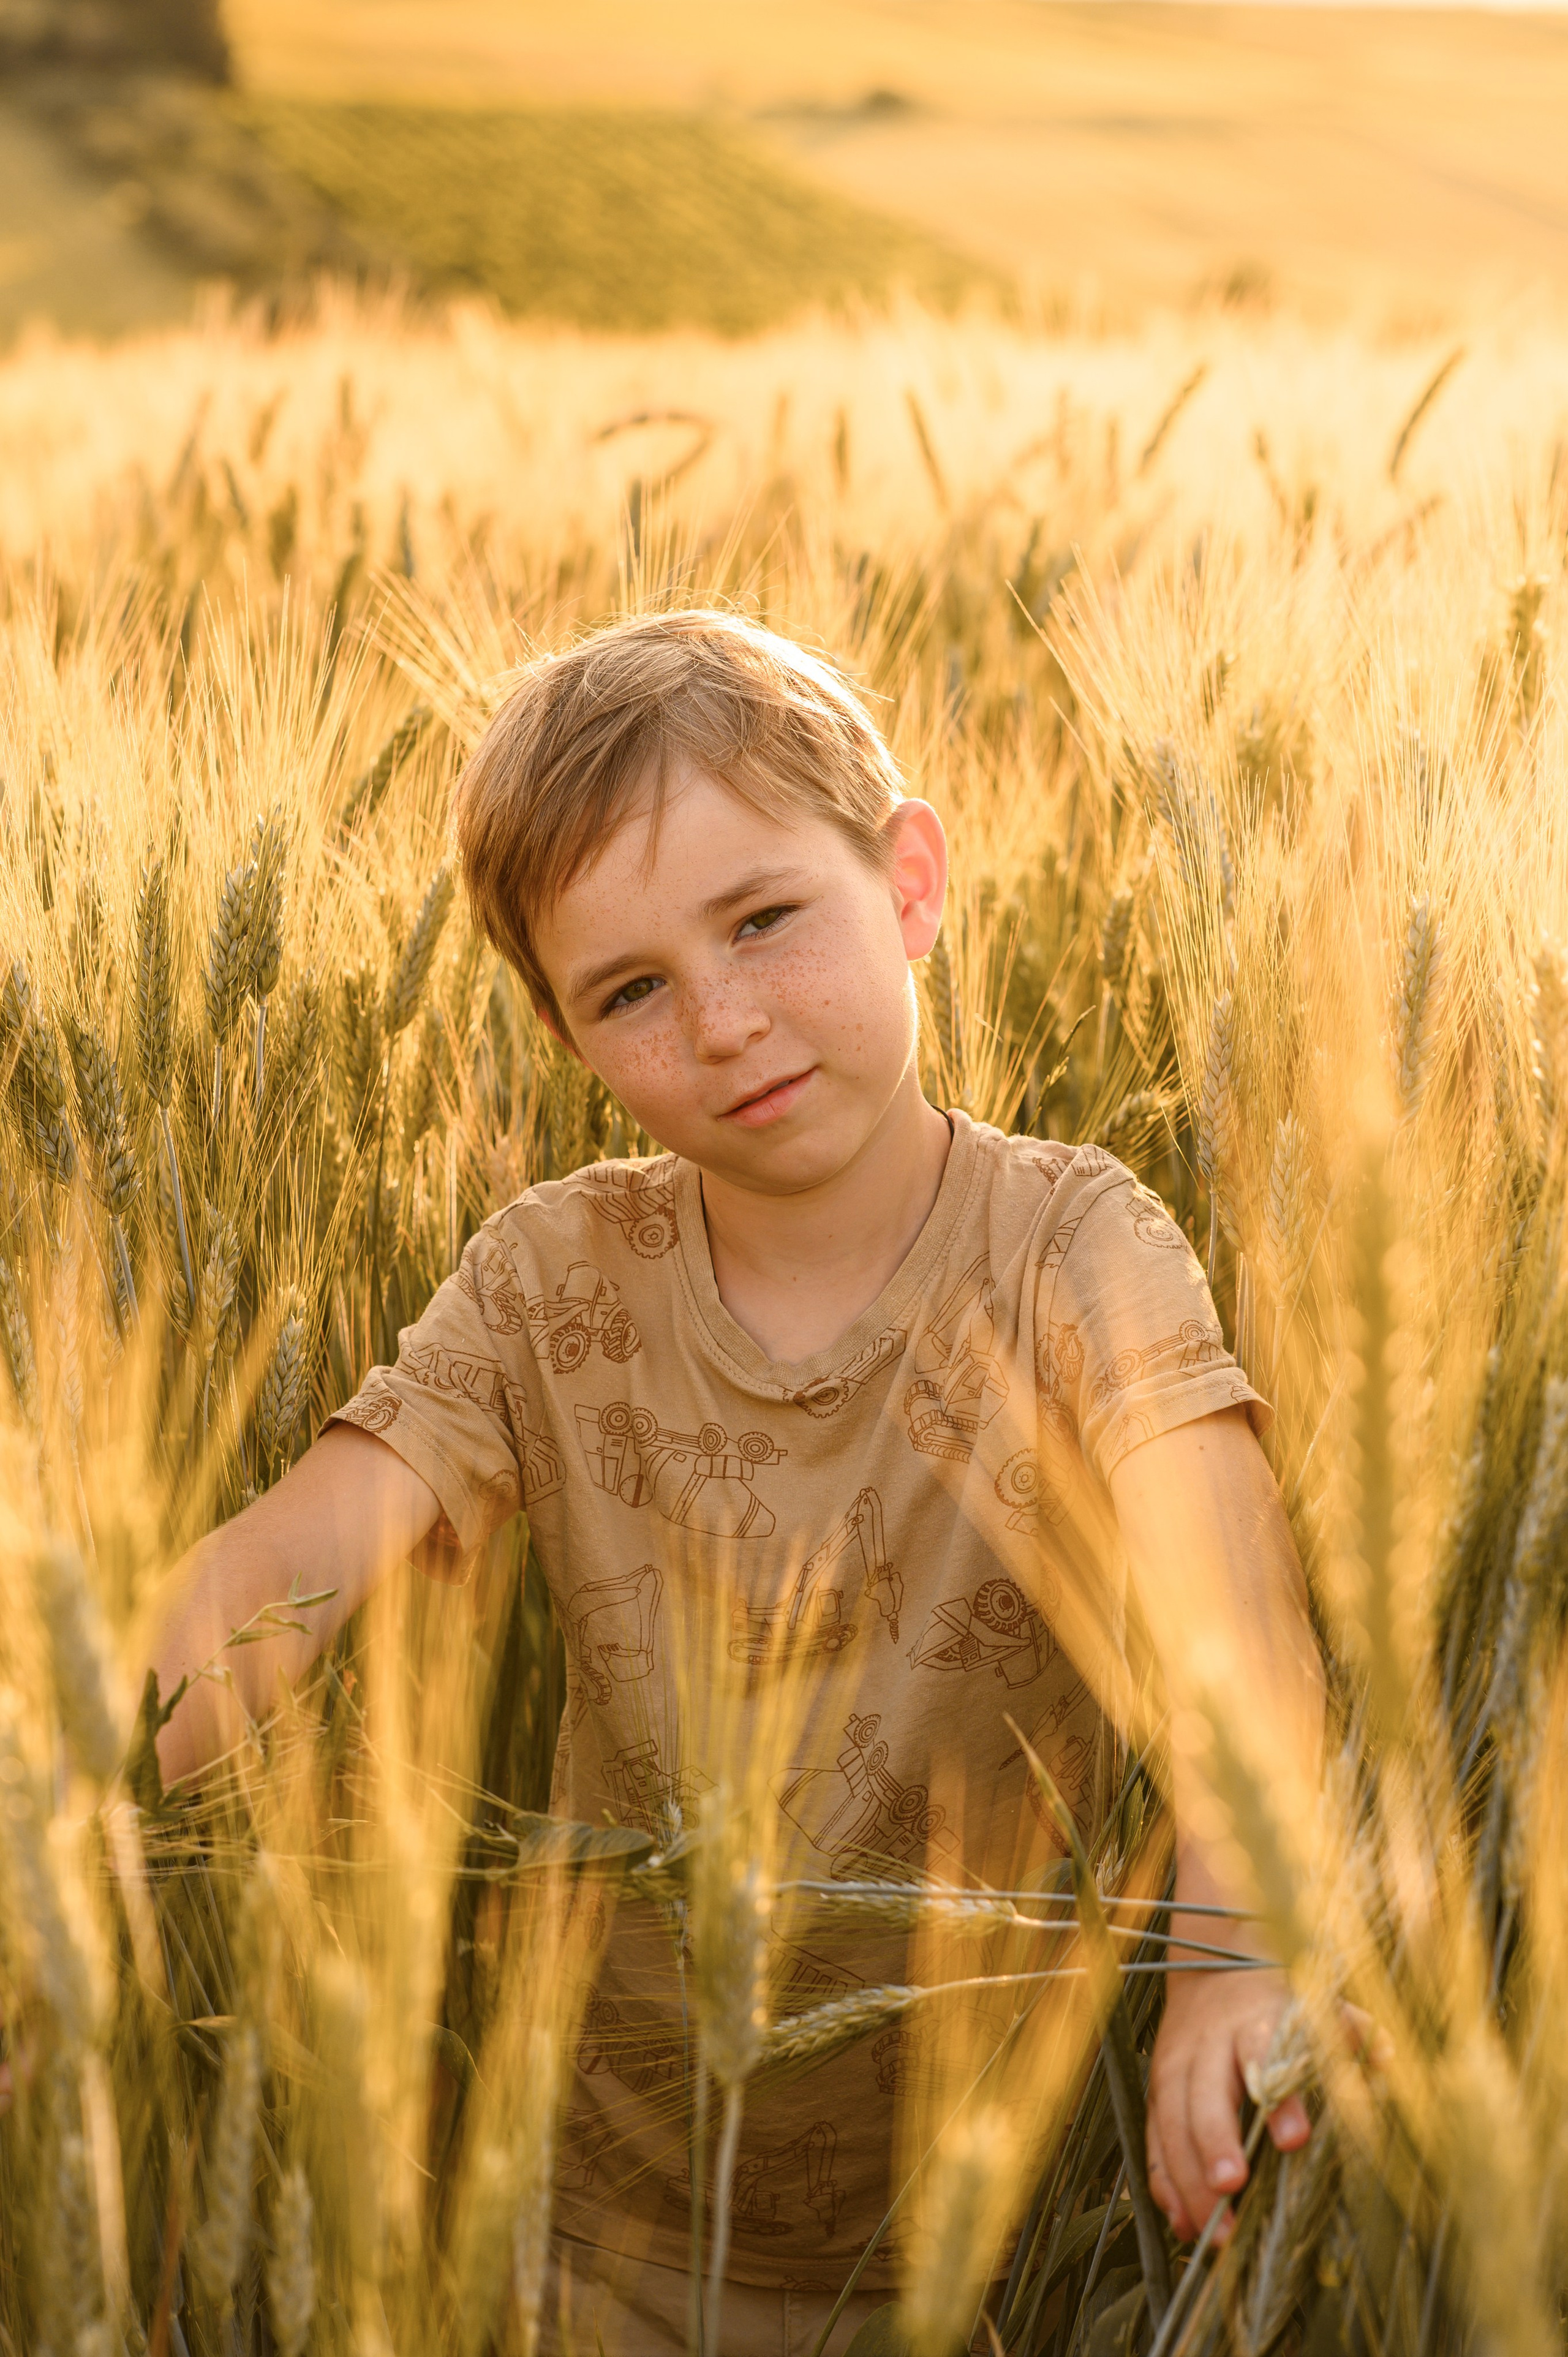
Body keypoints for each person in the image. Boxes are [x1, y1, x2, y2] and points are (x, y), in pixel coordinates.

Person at [145, 611, 1324, 2355]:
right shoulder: (555, 1275)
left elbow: (1238, 1627)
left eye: (764, 920)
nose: (723, 1021)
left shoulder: (1077, 1244)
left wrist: (1233, 1959)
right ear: (566, 1035)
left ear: (910, 881)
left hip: (975, 2252)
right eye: (630, 990)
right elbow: (289, 1562)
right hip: (575, 2229)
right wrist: (65, 1797)